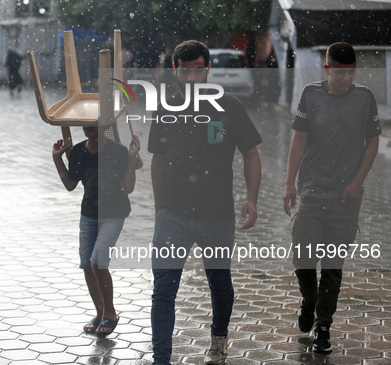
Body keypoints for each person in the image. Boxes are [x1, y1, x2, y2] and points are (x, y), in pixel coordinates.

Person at [148, 40, 262, 364]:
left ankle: (218, 339)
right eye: (185, 70)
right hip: (174, 213)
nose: (192, 76)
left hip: (217, 213)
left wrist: (252, 198)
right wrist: (159, 210)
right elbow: (157, 161)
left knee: (220, 283)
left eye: (198, 69)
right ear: (176, 70)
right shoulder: (166, 107)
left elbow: (251, 155)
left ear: (208, 68)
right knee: (164, 289)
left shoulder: (231, 107)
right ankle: (161, 359)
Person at [283, 42, 381, 354]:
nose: (346, 78)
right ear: (327, 69)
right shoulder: (311, 95)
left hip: (345, 198)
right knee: (302, 257)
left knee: (333, 264)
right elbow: (299, 140)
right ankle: (309, 299)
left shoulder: (365, 98)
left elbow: (373, 142)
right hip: (312, 191)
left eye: (351, 72)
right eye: (340, 73)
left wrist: (356, 182)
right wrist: (289, 183)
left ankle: (324, 325)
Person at [52, 127, 140, 335]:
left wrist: (131, 158)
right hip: (89, 213)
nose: (89, 127)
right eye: (85, 123)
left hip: (114, 213)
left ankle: (110, 313)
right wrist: (58, 158)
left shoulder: (117, 151)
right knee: (86, 265)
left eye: (94, 122)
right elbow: (70, 184)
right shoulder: (79, 151)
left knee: (97, 263)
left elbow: (128, 187)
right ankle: (100, 313)